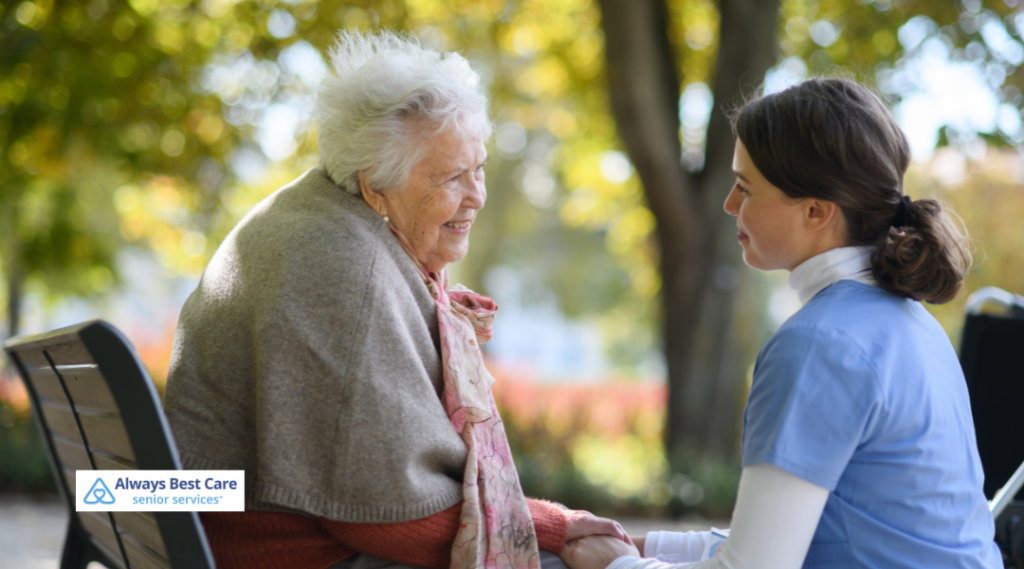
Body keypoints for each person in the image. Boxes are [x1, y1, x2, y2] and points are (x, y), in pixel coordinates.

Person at [164, 30, 629, 569]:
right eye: (454, 177)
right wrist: (555, 529)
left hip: (223, 529)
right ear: (375, 186)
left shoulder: (311, 216)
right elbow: (387, 518)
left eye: (479, 168)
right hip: (275, 551)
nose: (477, 195)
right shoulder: (345, 269)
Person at [560, 78, 1002, 569]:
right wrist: (639, 545)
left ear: (815, 211)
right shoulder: (914, 324)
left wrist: (615, 566)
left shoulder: (818, 345)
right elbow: (794, 533)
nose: (729, 204)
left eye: (745, 188)